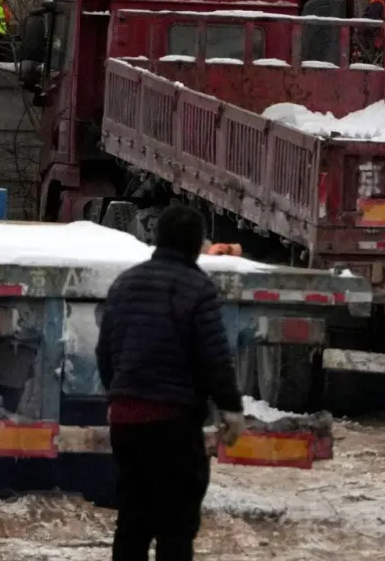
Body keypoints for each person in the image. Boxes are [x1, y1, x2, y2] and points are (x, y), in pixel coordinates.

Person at [96, 205, 246, 561]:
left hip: (126, 421)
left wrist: (118, 395)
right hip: (173, 423)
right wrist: (230, 407)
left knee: (132, 519)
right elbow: (214, 356)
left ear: (158, 238)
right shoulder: (198, 289)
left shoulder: (125, 282)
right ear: (197, 244)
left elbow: (106, 351)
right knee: (175, 525)